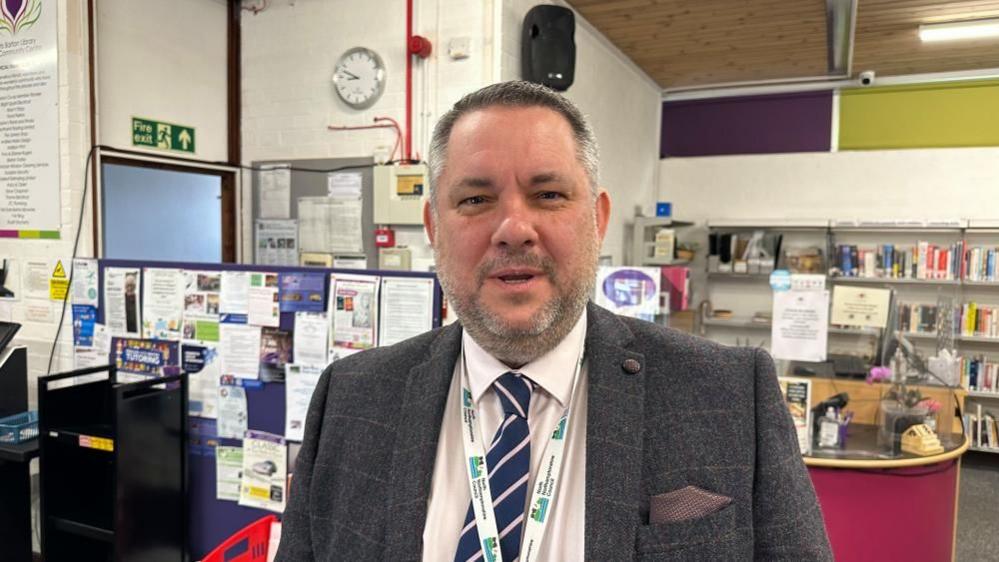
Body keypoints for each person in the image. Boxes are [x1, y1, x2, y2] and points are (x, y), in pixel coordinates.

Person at [277, 81, 832, 561]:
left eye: (547, 194)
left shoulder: (729, 394)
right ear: (433, 225)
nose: (514, 228)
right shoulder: (353, 398)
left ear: (598, 218)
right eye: (474, 199)